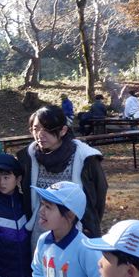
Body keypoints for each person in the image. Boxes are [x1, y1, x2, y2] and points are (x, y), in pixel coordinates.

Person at [17, 105, 108, 250]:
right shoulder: (29, 157)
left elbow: (98, 195)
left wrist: (90, 224)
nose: (40, 134)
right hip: (40, 232)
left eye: (47, 129)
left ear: (63, 130)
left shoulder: (85, 158)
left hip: (77, 232)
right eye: (36, 129)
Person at [31, 181, 113, 277]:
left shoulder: (86, 248)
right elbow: (38, 272)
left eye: (48, 207)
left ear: (69, 214)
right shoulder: (43, 241)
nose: (41, 211)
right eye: (42, 204)